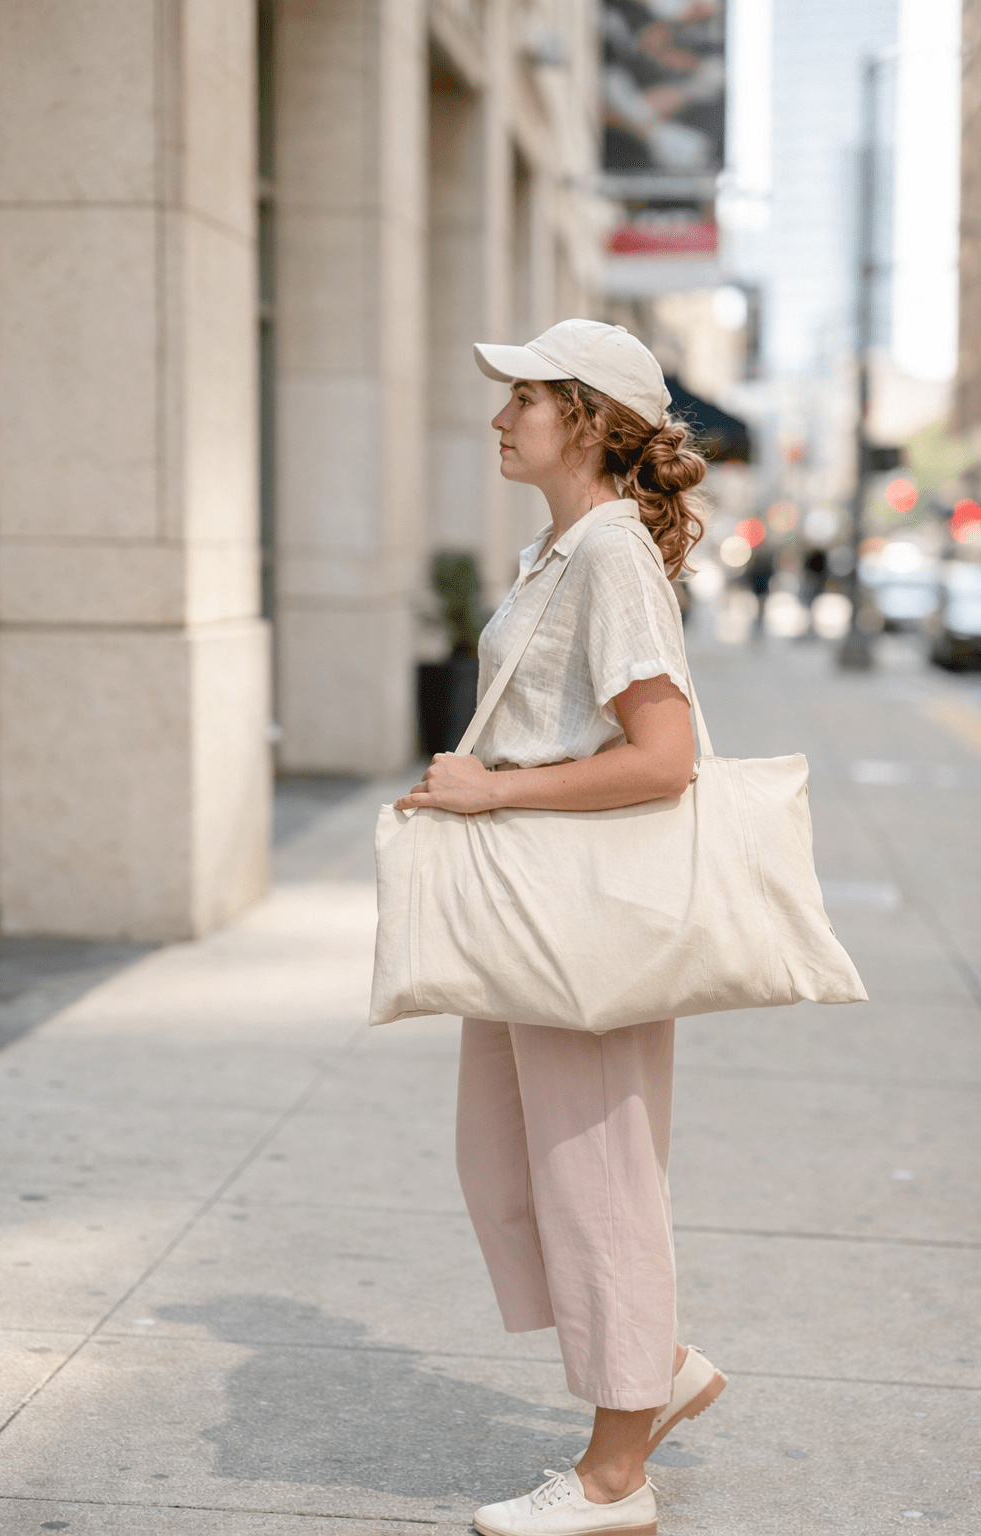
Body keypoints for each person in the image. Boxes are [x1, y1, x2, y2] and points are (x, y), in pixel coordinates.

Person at [395, 319, 727, 1536]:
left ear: (587, 416)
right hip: (535, 905)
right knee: (514, 1168)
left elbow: (664, 756)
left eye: (523, 395)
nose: (499, 416)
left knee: (596, 1184)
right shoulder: (563, 549)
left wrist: (496, 788)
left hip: (583, 913)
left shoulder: (608, 559)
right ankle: (664, 1367)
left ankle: (612, 1479)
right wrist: (467, 786)